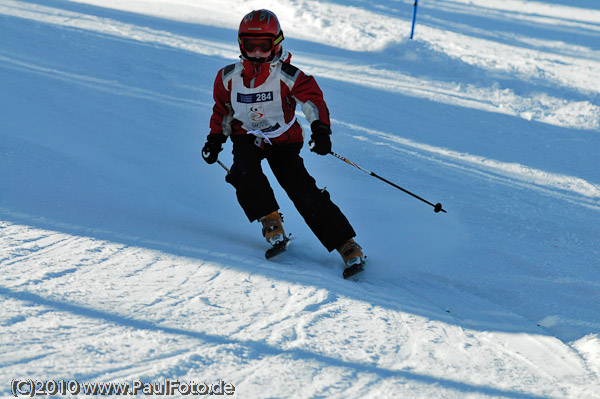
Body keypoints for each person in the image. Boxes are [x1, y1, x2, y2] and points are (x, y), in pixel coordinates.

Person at [202, 9, 364, 269]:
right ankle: (270, 218)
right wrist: (214, 140)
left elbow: (313, 100)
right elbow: (222, 110)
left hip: (283, 139)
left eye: (263, 46)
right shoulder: (228, 77)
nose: (256, 52)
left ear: (276, 43)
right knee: (243, 171)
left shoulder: (288, 75)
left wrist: (320, 130)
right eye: (250, 46)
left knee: (301, 189)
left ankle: (346, 242)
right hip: (247, 135)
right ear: (240, 44)